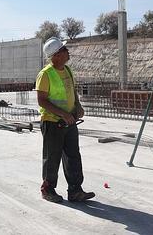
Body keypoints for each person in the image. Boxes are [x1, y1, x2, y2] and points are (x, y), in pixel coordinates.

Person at [36, 37, 94, 203]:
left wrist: (78, 106)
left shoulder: (67, 70)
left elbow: (71, 91)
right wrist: (63, 114)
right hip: (52, 122)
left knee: (73, 156)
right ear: (55, 55)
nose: (67, 52)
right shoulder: (45, 74)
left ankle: (75, 190)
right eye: (63, 50)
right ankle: (48, 189)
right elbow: (42, 100)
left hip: (69, 121)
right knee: (52, 157)